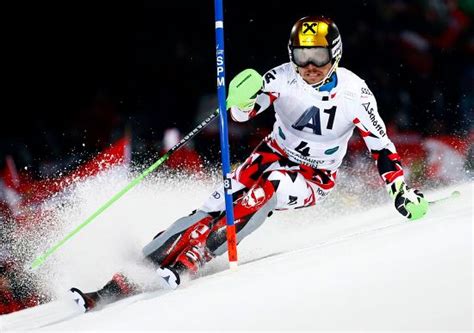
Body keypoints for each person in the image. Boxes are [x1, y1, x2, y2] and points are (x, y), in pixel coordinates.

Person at [71, 16, 428, 311]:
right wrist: (241, 100)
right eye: (301, 56)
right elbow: (246, 112)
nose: (309, 67)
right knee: (204, 213)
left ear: (334, 55)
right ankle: (118, 281)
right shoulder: (283, 76)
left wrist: (399, 190)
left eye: (318, 56)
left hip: (314, 176)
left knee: (267, 190)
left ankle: (200, 253)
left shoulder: (355, 93)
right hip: (270, 154)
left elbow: (380, 146)